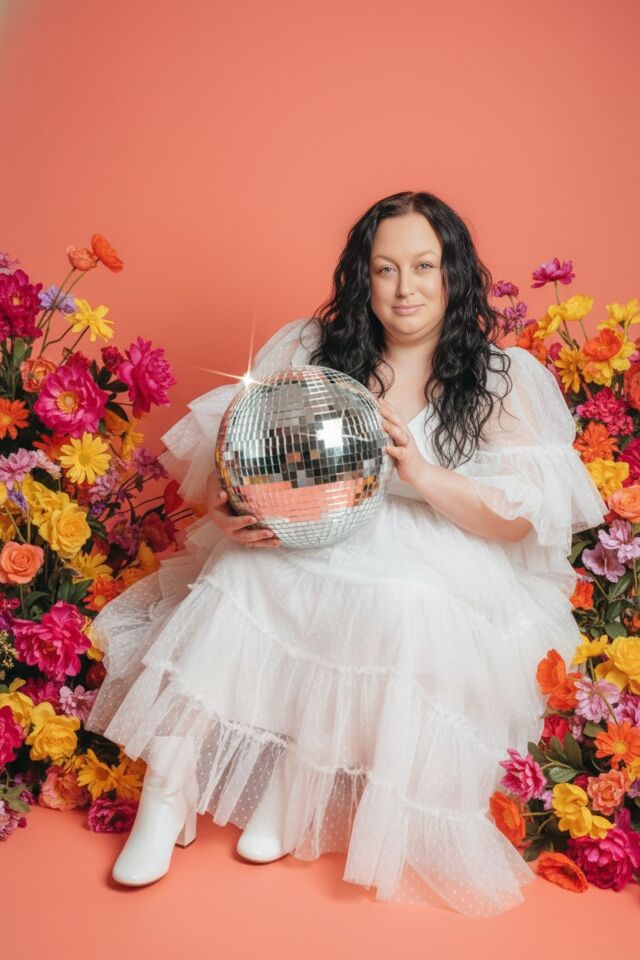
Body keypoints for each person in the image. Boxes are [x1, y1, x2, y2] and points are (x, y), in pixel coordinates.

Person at [84, 190, 608, 916]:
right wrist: (231, 509)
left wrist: (419, 471)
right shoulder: (314, 349)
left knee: (394, 597)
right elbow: (245, 455)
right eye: (385, 268)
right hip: (319, 519)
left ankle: (291, 788)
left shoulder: (501, 377)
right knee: (242, 570)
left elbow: (518, 521)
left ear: (453, 272)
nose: (405, 287)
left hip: (442, 539)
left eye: (424, 266)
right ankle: (166, 794)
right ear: (364, 276)